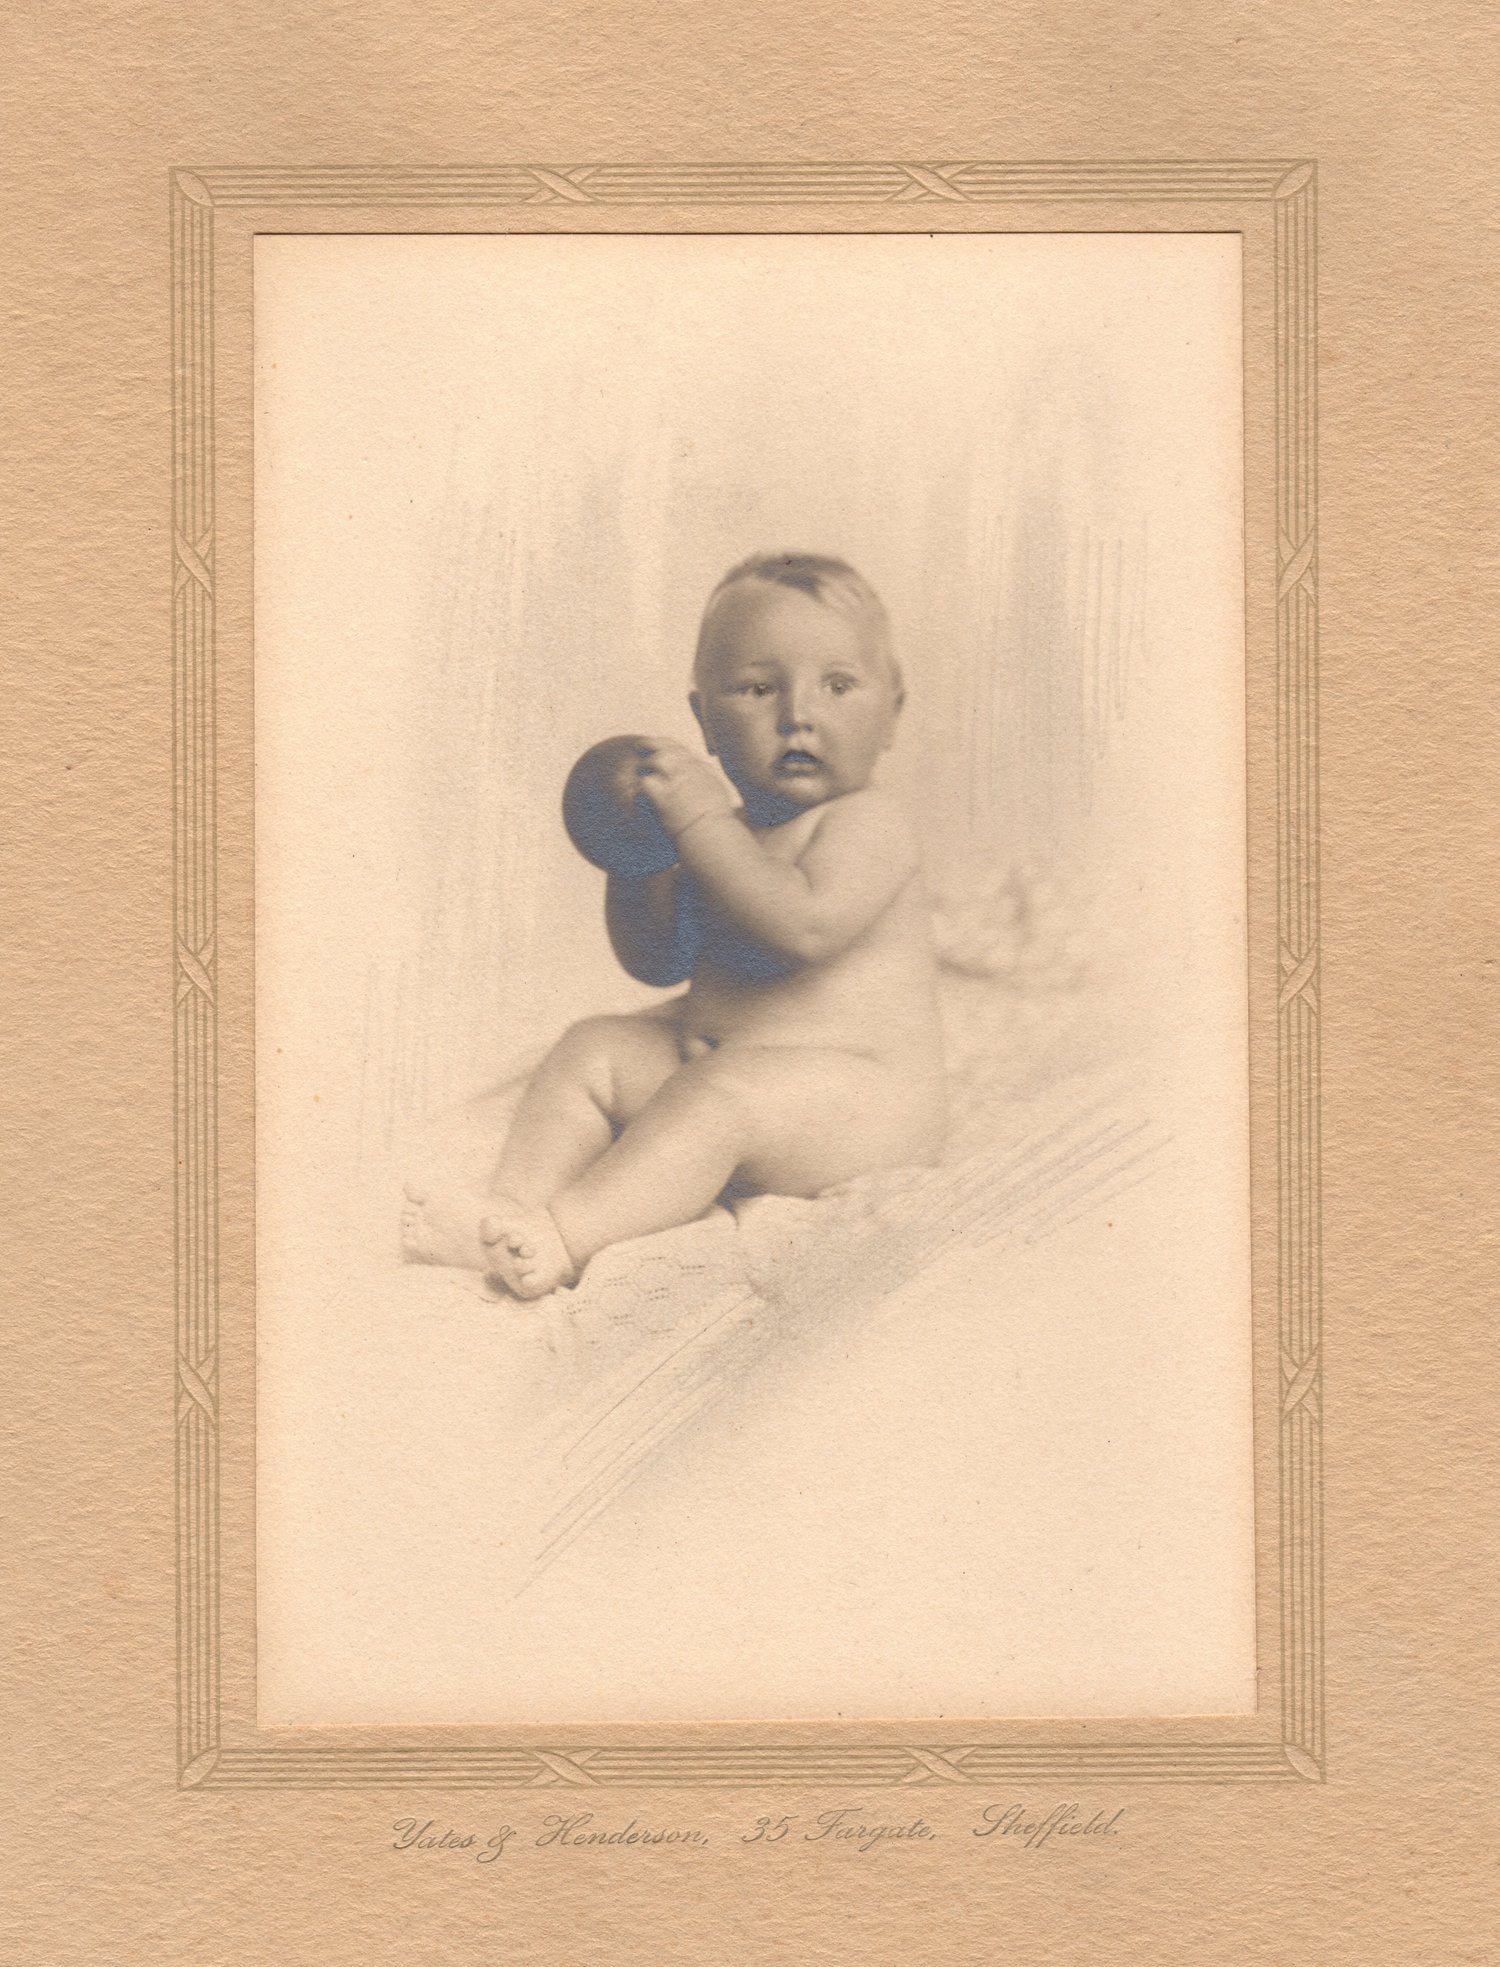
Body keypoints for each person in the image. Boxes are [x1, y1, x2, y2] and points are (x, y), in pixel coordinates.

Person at [403, 553, 946, 1297]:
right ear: (704, 722)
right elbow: (658, 960)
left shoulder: (867, 824)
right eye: (759, 688)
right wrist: (638, 862)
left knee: (719, 1097)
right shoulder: (721, 836)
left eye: (838, 685)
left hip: (862, 1108)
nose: (798, 714)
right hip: (740, 1082)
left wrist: (698, 824)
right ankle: (508, 1215)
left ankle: (566, 1235)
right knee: (594, 1047)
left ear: (893, 713)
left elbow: (805, 927)